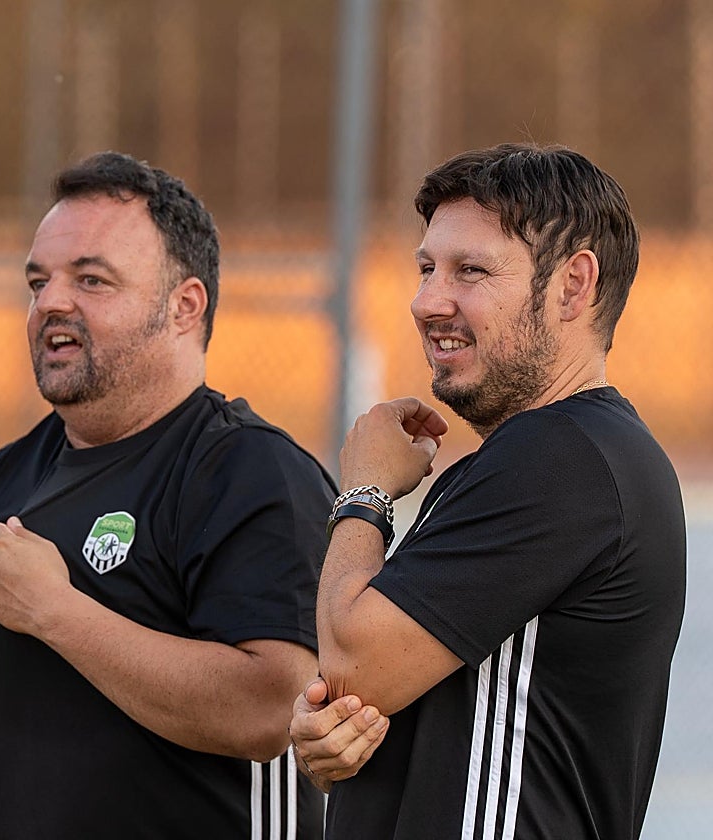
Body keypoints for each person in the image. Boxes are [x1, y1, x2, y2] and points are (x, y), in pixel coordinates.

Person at [0, 151, 381, 839]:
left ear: (184, 307)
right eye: (38, 281)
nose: (51, 301)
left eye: (91, 279)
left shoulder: (249, 471)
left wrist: (56, 612)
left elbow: (270, 706)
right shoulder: (12, 472)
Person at [291, 143, 686, 839]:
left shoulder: (564, 459)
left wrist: (365, 494)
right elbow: (380, 696)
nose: (425, 302)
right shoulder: (552, 456)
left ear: (573, 285)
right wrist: (334, 740)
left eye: (469, 271)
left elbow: (353, 664)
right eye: (425, 268)